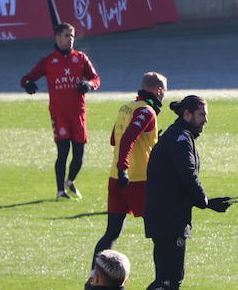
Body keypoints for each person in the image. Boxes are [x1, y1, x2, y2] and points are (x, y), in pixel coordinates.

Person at [136, 96, 231, 290]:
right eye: (201, 115)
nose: (205, 120)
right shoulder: (180, 139)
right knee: (169, 278)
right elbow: (187, 175)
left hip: (164, 215)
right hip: (169, 218)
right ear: (187, 114)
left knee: (170, 278)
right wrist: (207, 202)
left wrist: (204, 202)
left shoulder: (177, 135)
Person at [93, 73, 167, 266]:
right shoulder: (146, 111)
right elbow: (127, 139)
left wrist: (150, 140)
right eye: (165, 90)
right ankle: (165, 278)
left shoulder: (126, 107)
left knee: (111, 234)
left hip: (114, 178)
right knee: (160, 233)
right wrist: (124, 168)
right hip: (137, 180)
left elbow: (113, 139)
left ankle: (94, 279)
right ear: (159, 90)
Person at [21, 22, 102, 200]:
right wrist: (29, 84)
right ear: (57, 38)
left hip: (78, 113)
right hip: (59, 115)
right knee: (63, 152)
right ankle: (60, 191)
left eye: (72, 36)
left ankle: (70, 180)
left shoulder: (80, 58)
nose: (70, 39)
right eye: (66, 35)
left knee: (79, 155)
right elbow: (26, 78)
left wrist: (88, 85)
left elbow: (95, 78)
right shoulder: (48, 61)